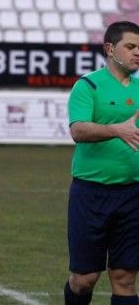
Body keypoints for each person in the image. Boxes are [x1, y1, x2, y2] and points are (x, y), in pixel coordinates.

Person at [64, 21, 139, 305]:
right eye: (130, 47)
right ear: (110, 49)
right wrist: (116, 129)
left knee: (125, 277)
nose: (137, 53)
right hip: (91, 194)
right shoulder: (88, 85)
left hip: (133, 194)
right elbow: (78, 130)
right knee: (84, 280)